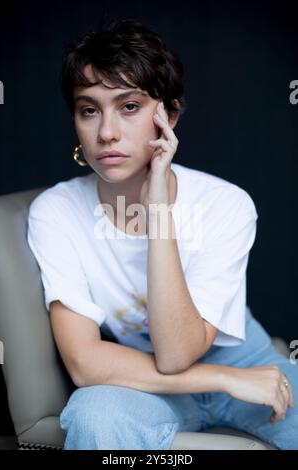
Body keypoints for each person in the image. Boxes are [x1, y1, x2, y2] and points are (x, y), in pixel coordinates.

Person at [27, 17, 297, 450]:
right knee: (96, 413)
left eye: (129, 106)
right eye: (89, 109)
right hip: (146, 377)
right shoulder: (56, 212)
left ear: (168, 116)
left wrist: (158, 209)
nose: (107, 132)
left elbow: (180, 351)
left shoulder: (225, 204)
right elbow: (84, 363)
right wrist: (227, 381)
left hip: (246, 359)